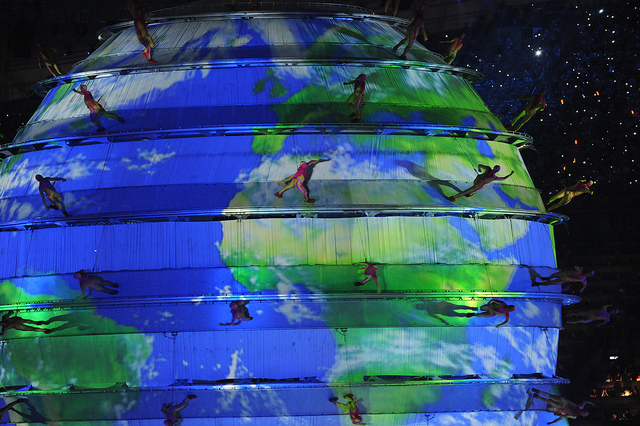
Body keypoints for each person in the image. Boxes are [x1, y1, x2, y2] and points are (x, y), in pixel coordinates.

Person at [446, 164, 514, 201]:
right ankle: (453, 197)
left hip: (476, 180)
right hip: (479, 185)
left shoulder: (488, 169)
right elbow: (504, 178)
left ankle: (468, 193)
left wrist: (479, 169)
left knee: (471, 190)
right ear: (497, 171)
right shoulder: (494, 177)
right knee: (467, 191)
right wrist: (510, 174)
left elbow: (479, 165)